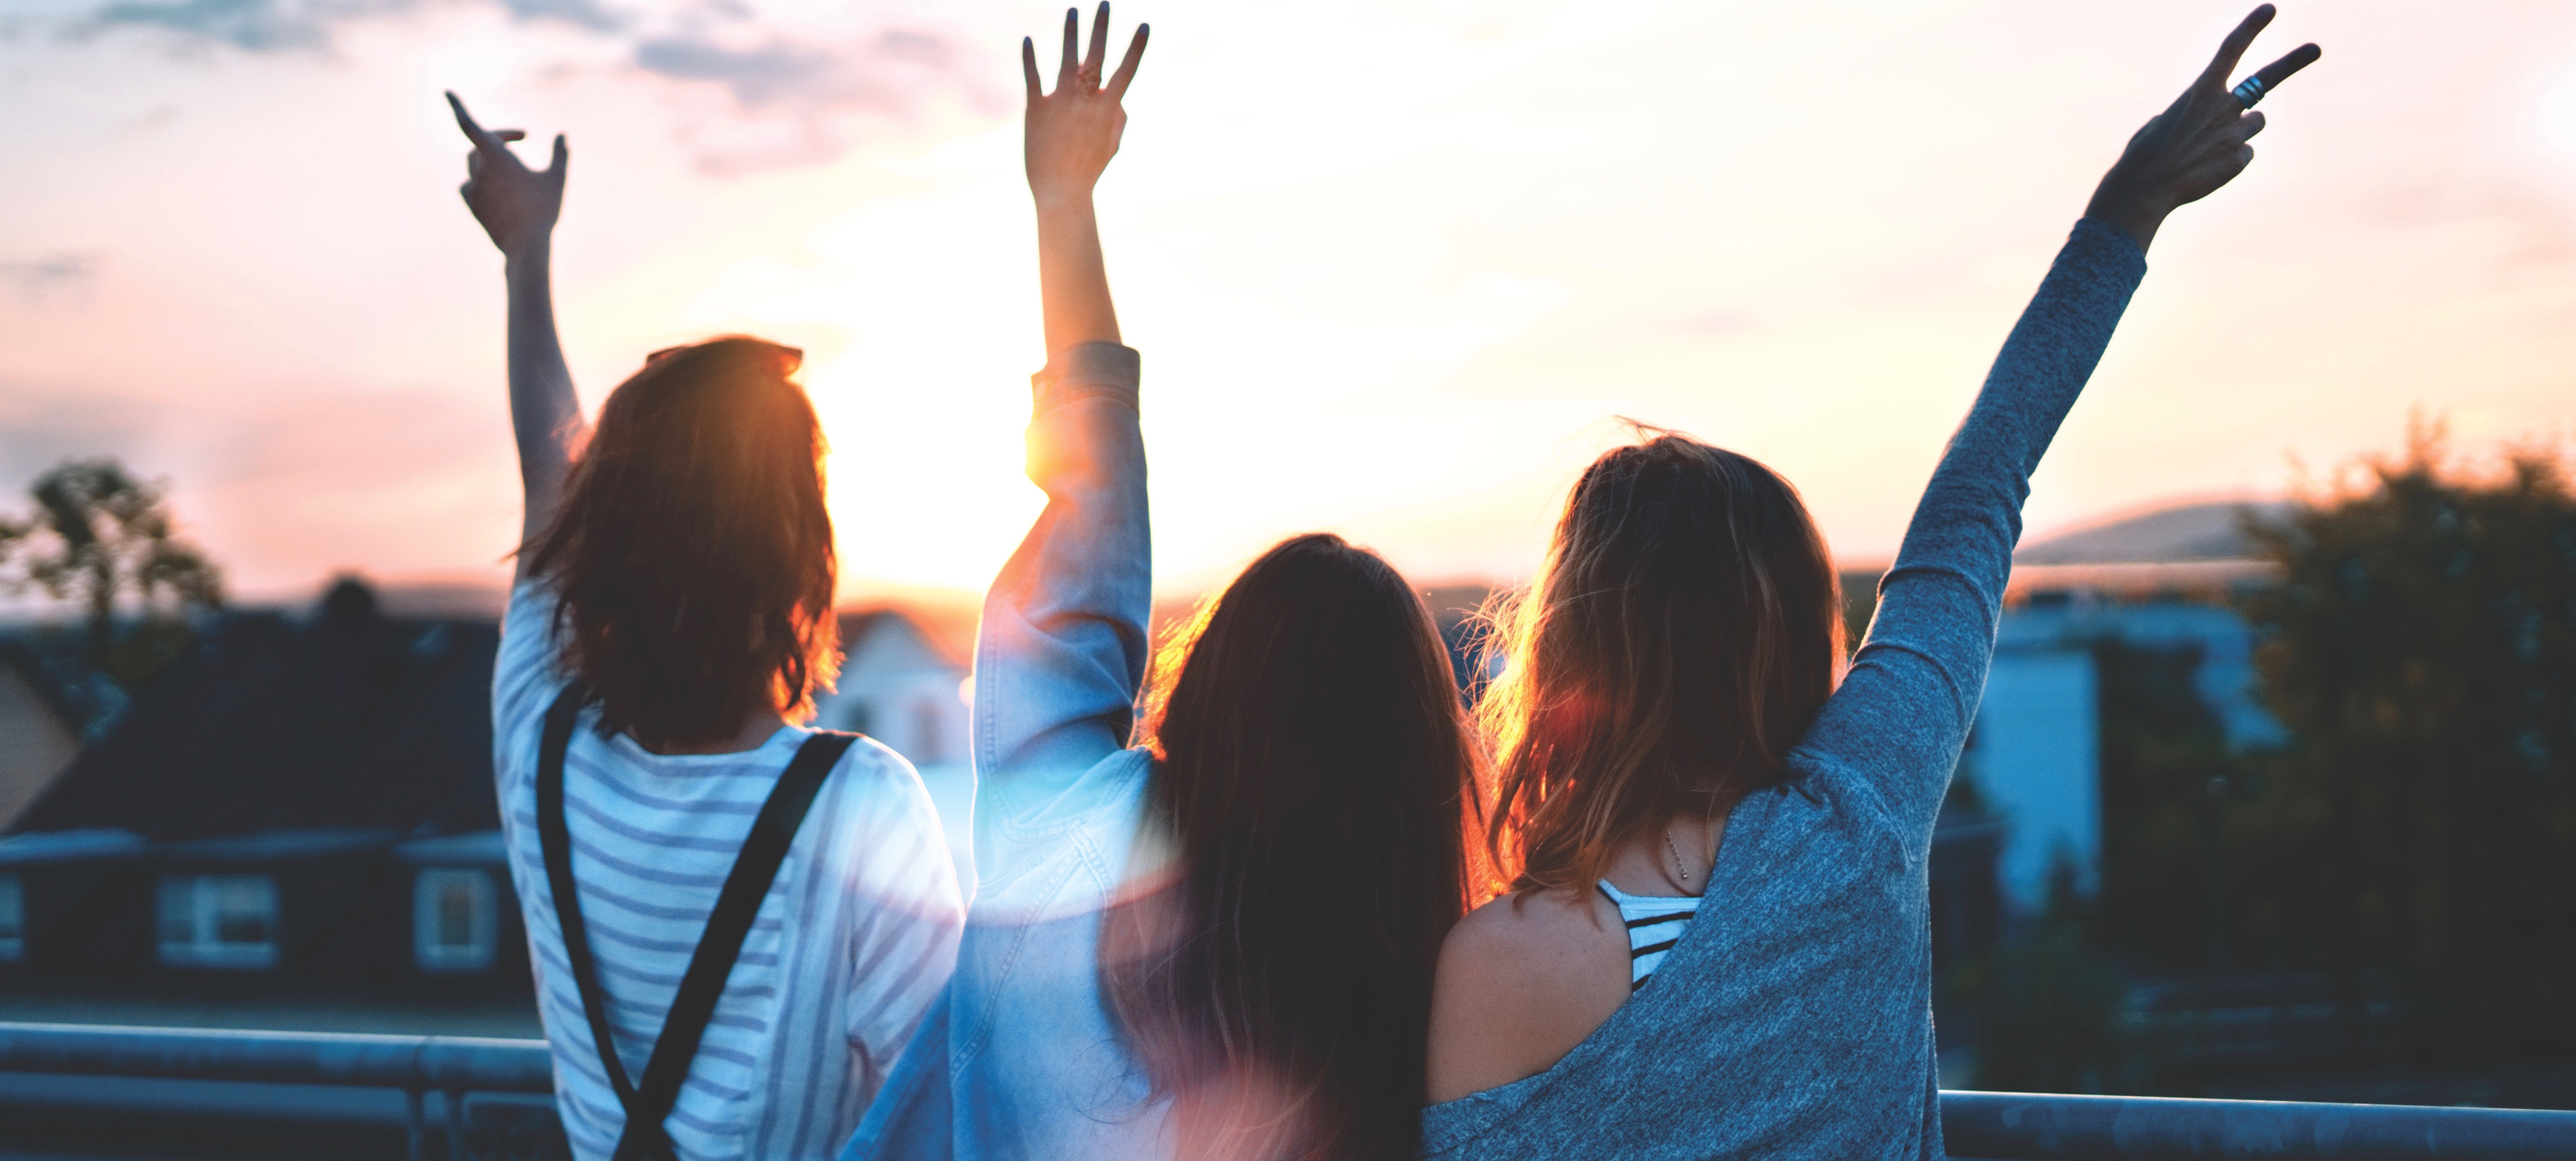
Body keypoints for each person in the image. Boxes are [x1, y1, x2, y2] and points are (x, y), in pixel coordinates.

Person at [1421, 8, 2320, 1158]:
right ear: (1793, 634)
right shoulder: (1858, 819)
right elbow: (1978, 495)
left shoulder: (1489, 967)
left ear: (1572, 648)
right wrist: (2126, 212)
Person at [844, 7, 1487, 1161]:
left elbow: (1091, 529)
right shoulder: (1421, 1017)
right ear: (1415, 762)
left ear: (1214, 692)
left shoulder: (1059, 843)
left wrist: (1062, 202)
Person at [449, 92, 964, 1159]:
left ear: (598, 545)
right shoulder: (859, 807)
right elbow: (947, 1115)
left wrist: (526, 255)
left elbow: (550, 471)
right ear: (796, 557)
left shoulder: (538, 740)